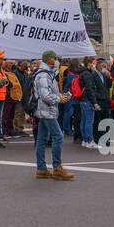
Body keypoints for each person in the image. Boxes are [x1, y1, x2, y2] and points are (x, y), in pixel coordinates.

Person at [32, 50, 73, 180]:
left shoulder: (47, 73)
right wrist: (59, 98)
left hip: (44, 110)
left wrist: (59, 96)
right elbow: (46, 96)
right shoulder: (44, 75)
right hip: (47, 110)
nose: (57, 60)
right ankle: (57, 167)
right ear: (49, 59)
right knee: (58, 137)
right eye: (55, 58)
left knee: (42, 139)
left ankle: (42, 168)